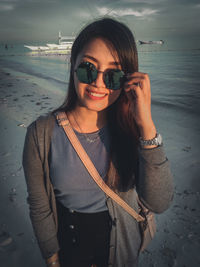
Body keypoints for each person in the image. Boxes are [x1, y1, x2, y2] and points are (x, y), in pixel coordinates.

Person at [23, 18, 173, 267]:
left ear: (127, 79)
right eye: (88, 68)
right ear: (73, 65)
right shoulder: (41, 134)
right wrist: (52, 258)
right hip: (70, 251)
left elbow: (159, 202)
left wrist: (146, 123)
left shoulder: (132, 132)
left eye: (113, 75)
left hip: (120, 251)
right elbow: (40, 207)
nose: (98, 83)